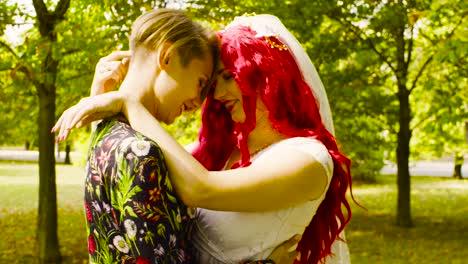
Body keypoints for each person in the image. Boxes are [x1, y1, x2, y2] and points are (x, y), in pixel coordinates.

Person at [54, 14, 353, 264]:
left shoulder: (309, 159)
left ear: (264, 69)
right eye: (208, 83)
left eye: (228, 76)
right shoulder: (222, 155)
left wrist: (127, 103)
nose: (214, 96)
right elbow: (117, 185)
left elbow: (201, 189)